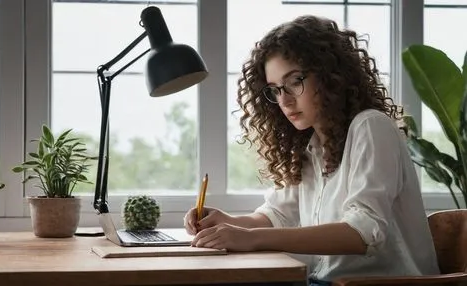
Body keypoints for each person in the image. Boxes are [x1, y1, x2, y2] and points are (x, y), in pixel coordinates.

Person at [183, 15, 440, 284]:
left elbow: (364, 232)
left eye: (295, 81)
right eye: (275, 90)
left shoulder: (371, 127)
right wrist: (227, 221)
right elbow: (279, 215)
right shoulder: (310, 146)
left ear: (331, 75)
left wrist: (251, 238)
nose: (284, 101)